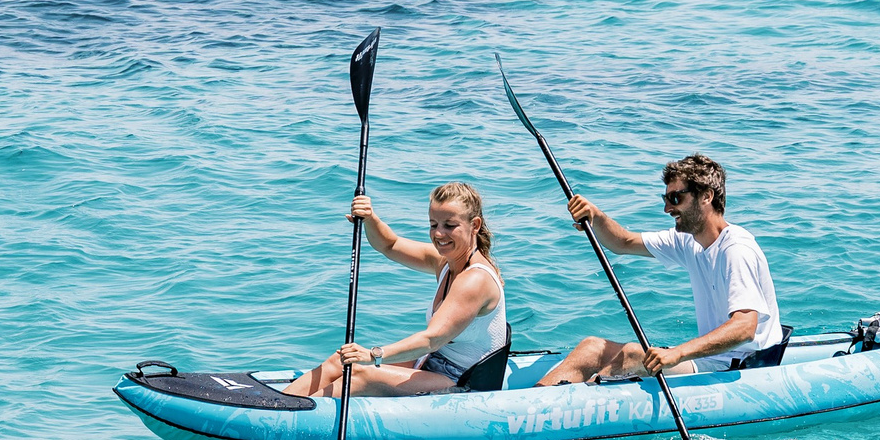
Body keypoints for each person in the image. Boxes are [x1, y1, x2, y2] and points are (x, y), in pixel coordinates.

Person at [533, 153, 782, 386]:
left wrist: (678, 353)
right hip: (708, 359)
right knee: (591, 347)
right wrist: (595, 216)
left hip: (740, 366)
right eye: (666, 199)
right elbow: (623, 242)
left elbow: (745, 327)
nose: (667, 209)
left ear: (706, 196)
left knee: (632, 354)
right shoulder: (689, 241)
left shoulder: (736, 250)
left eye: (676, 198)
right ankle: (536, 401)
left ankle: (575, 406)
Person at [284, 182, 512, 397]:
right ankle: (281, 403)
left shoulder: (475, 280)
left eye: (449, 226)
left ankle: (295, 415)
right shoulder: (445, 261)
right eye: (433, 224)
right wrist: (370, 218)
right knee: (341, 362)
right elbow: (390, 245)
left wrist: (374, 355)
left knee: (361, 373)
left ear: (475, 225)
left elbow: (431, 340)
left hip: (461, 380)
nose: (438, 234)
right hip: (431, 361)